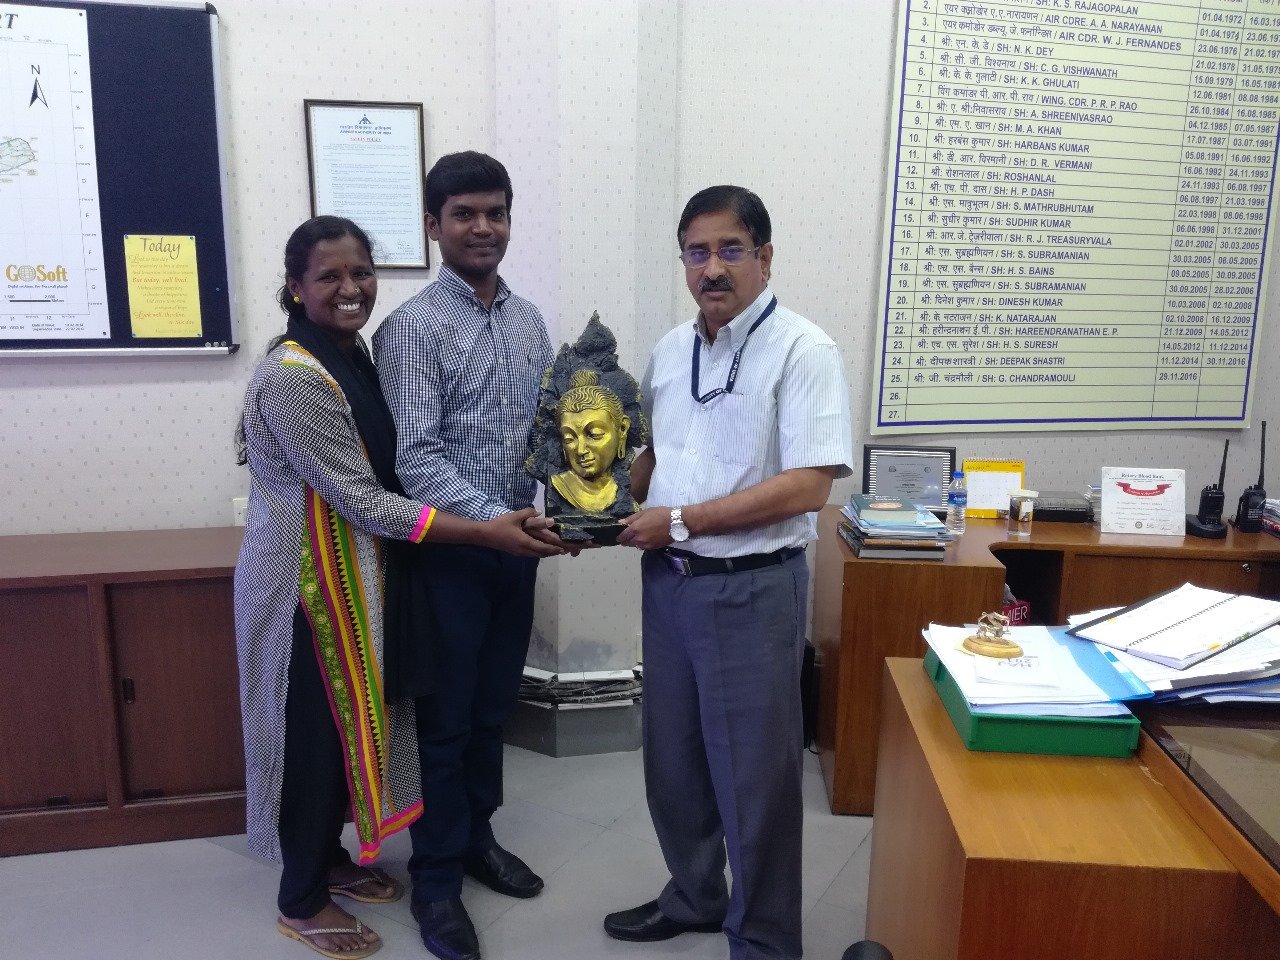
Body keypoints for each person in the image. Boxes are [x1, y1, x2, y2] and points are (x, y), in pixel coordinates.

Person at [235, 216, 560, 960]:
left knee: (355, 731)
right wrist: (485, 531)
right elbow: (367, 498)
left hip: (360, 575)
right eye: (329, 277)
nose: (350, 289)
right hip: (302, 590)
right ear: (296, 287)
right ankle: (300, 900)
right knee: (313, 738)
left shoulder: (347, 353)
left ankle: (333, 861)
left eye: (361, 273)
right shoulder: (295, 376)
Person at [610, 185, 854, 960]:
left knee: (755, 781)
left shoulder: (804, 350)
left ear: (764, 257)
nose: (712, 268)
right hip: (668, 584)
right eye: (697, 252)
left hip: (752, 587)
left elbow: (809, 485)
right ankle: (694, 896)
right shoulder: (668, 350)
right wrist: (590, 504)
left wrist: (682, 519)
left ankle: (765, 940)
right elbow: (655, 457)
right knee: (674, 762)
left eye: (730, 249)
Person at [373, 152, 567, 960]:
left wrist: (573, 506)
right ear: (433, 225)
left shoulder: (530, 323)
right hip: (449, 555)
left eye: (496, 212)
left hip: (515, 551)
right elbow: (414, 459)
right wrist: (495, 523)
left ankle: (478, 837)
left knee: (493, 710)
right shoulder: (411, 329)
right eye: (464, 214)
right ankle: (437, 879)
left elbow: (548, 435)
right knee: (446, 722)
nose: (482, 227)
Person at [549, 370, 632, 513]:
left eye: (594, 435)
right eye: (569, 439)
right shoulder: (560, 485)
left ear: (622, 429)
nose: (581, 450)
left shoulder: (621, 488)